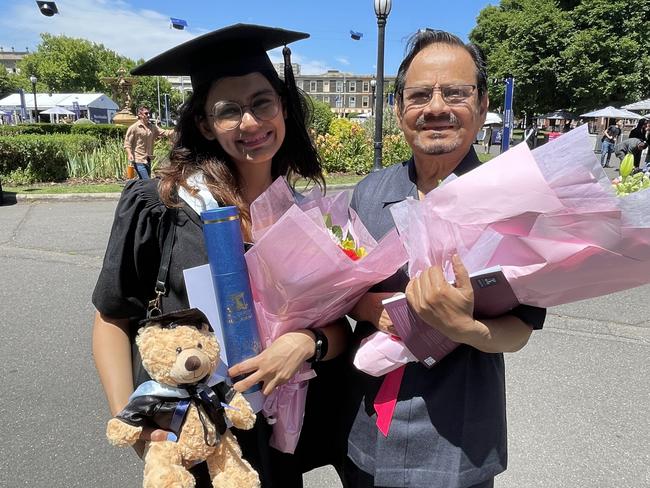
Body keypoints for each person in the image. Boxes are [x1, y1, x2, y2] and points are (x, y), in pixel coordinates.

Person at [93, 24, 350, 487]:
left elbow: (337, 328)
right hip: (191, 440)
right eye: (228, 111)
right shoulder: (163, 204)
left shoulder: (304, 215)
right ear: (206, 125)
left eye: (261, 102)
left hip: (274, 436)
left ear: (284, 107)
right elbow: (112, 318)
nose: (249, 123)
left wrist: (307, 342)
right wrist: (136, 423)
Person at [343, 29, 546, 488]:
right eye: (419, 95)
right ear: (399, 110)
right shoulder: (369, 193)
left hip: (460, 436)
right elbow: (342, 292)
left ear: (481, 105)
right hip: (371, 423)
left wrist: (465, 328)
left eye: (455, 93)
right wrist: (373, 309)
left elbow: (520, 331)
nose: (436, 107)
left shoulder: (512, 201)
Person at [123, 106, 174, 179]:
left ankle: (137, 190)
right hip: (138, 159)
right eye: (146, 113)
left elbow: (166, 132)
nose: (148, 115)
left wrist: (179, 128)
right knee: (146, 181)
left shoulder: (152, 127)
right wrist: (129, 154)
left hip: (148, 159)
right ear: (140, 115)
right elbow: (127, 143)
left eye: (149, 113)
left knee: (143, 183)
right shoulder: (134, 128)